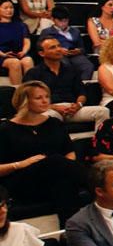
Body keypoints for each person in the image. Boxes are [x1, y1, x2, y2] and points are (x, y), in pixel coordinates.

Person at [0, 81, 87, 224]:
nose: (45, 100)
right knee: (55, 161)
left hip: (53, 180)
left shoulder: (55, 123)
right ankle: (101, 184)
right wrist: (20, 164)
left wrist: (66, 168)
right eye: (39, 97)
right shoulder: (6, 129)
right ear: (25, 101)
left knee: (63, 182)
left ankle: (71, 234)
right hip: (22, 182)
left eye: (47, 96)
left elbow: (70, 153)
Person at [26, 36, 109, 125]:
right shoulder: (34, 73)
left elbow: (82, 92)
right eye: (53, 47)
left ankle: (99, 139)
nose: (58, 49)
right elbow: (29, 100)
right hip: (49, 109)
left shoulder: (71, 70)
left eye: (59, 46)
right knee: (52, 117)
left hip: (72, 108)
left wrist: (78, 105)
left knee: (103, 111)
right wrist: (53, 107)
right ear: (42, 53)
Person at [39, 7, 94, 78]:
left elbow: (82, 48)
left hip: (75, 55)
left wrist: (78, 50)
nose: (63, 23)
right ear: (53, 19)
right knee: (65, 66)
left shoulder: (75, 31)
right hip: (57, 56)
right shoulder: (47, 32)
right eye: (60, 21)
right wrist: (59, 50)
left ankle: (81, 85)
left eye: (66, 21)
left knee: (88, 66)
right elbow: (41, 48)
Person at [0, 0, 32, 85]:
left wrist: (24, 52)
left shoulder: (21, 25)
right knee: (14, 62)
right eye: (5, 8)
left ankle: (31, 90)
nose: (9, 10)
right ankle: (18, 92)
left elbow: (27, 41)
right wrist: (3, 54)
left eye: (11, 7)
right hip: (2, 54)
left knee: (28, 61)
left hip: (19, 53)